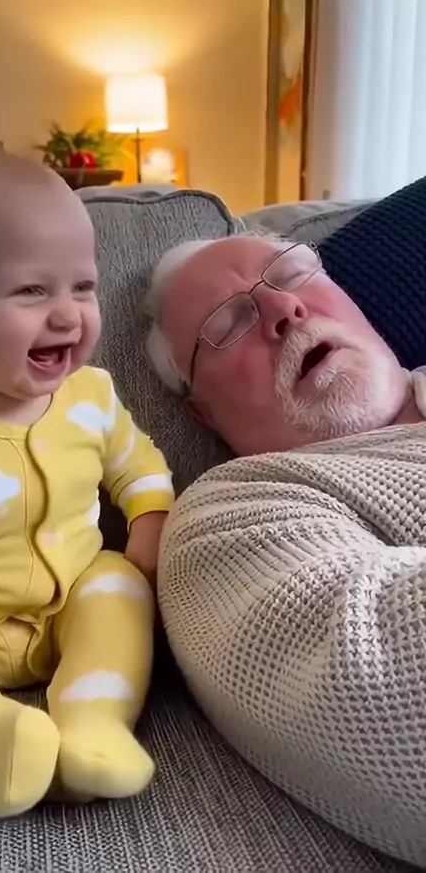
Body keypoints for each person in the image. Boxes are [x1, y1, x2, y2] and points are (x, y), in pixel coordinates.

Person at [144, 235, 426, 866]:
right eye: (228, 325)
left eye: (293, 273)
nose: (282, 309)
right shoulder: (232, 516)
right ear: (203, 415)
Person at [0, 146, 174, 819]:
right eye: (31, 291)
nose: (69, 315)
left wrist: (150, 517)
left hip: (71, 604)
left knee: (118, 584)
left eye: (83, 287)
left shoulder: (90, 396)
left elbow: (138, 463)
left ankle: (92, 725)